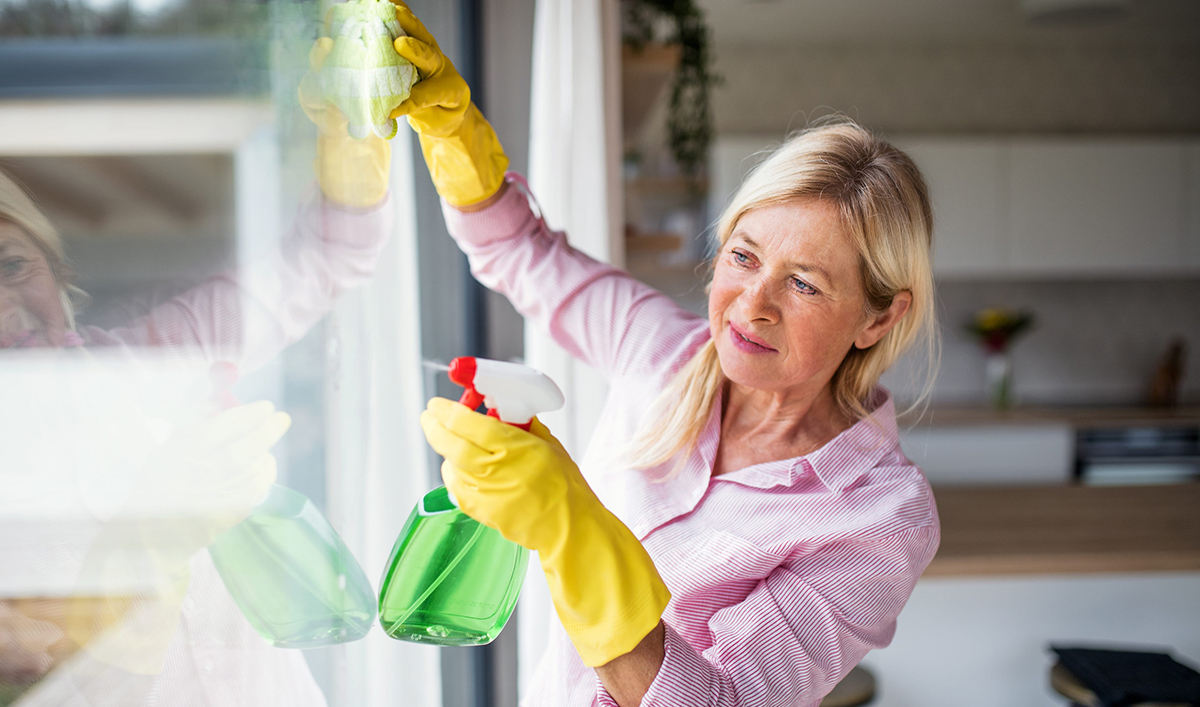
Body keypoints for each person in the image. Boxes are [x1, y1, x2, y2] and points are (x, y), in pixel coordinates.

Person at [385, 2, 941, 706]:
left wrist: (573, 528)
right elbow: (519, 250)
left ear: (880, 315)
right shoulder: (664, 350)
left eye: (803, 283)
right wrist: (451, 131)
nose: (751, 304)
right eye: (744, 255)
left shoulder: (879, 516)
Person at [0, 62, 395, 704]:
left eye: (12, 265)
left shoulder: (144, 362)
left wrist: (354, 134)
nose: (5, 308)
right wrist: (143, 540)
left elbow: (325, 258)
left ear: (54, 265)